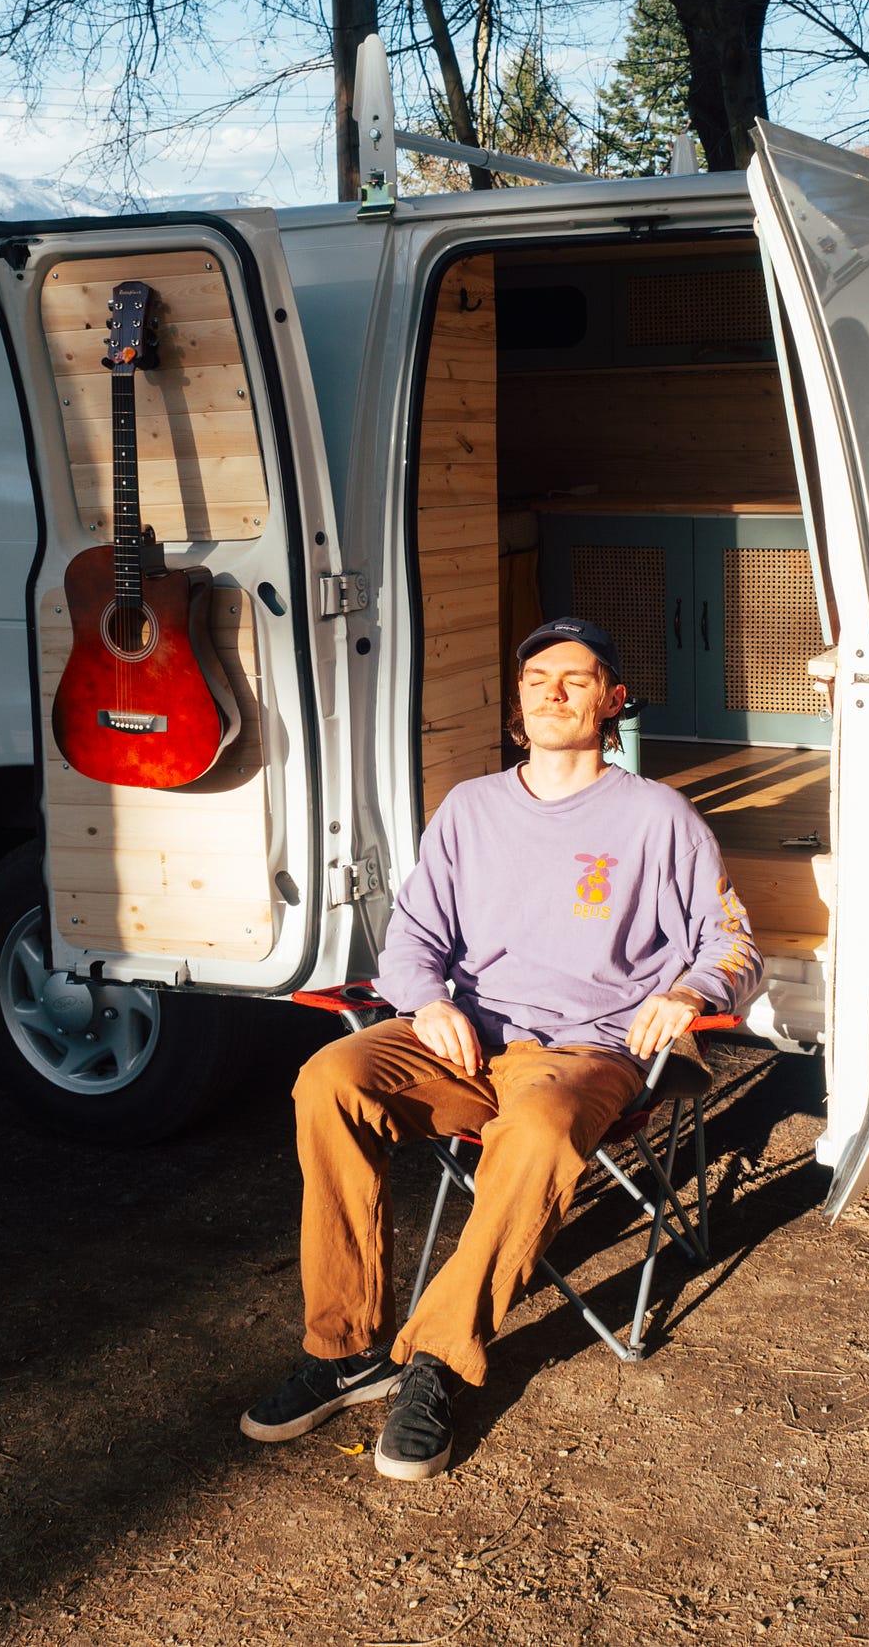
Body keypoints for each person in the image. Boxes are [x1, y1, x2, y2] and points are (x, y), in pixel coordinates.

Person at [241, 616, 762, 1480]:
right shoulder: (471, 808)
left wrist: (687, 992)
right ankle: (348, 1349)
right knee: (329, 1077)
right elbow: (412, 939)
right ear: (518, 701)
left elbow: (733, 942)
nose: (552, 691)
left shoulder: (656, 817)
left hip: (586, 1054)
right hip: (468, 1041)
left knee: (542, 1124)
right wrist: (427, 1001)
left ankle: (436, 1358)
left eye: (575, 678)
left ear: (612, 700)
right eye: (535, 679)